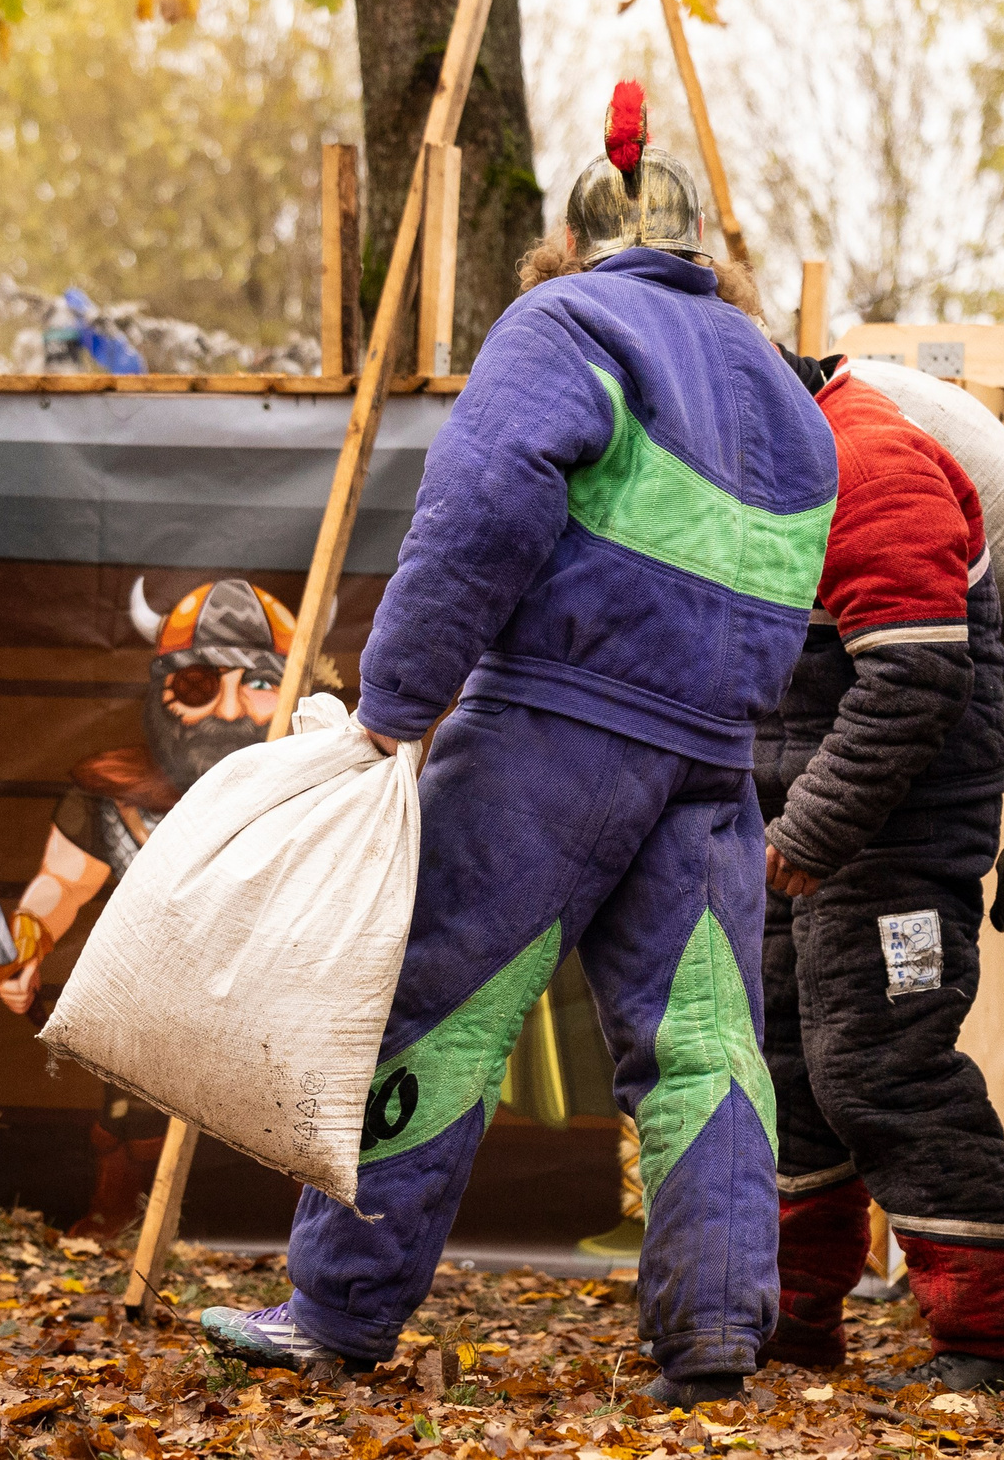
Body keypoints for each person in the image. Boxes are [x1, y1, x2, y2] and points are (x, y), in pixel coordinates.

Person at [199, 83, 839, 1411]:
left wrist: (395, 700)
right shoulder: (786, 392)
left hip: (551, 735)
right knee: (709, 1042)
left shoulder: (567, 322)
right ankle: (715, 1333)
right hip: (714, 763)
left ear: (573, 239)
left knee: (437, 1008)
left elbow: (474, 520)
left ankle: (338, 1309)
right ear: (710, 248)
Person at [754, 350, 1004, 1391]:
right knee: (785, 1064)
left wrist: (811, 828)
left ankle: (995, 1336)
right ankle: (790, 1322)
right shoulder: (765, 464)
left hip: (896, 833)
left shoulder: (869, 466)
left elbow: (916, 675)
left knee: (886, 1068)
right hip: (803, 830)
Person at [0, 576, 293, 1236]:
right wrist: (26, 946)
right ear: (164, 693)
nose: (230, 709)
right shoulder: (115, 800)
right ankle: (120, 1218)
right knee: (131, 1113)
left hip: (276, 1013)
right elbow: (62, 884)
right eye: (200, 685)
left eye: (260, 682)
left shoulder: (323, 798)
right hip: (155, 1015)